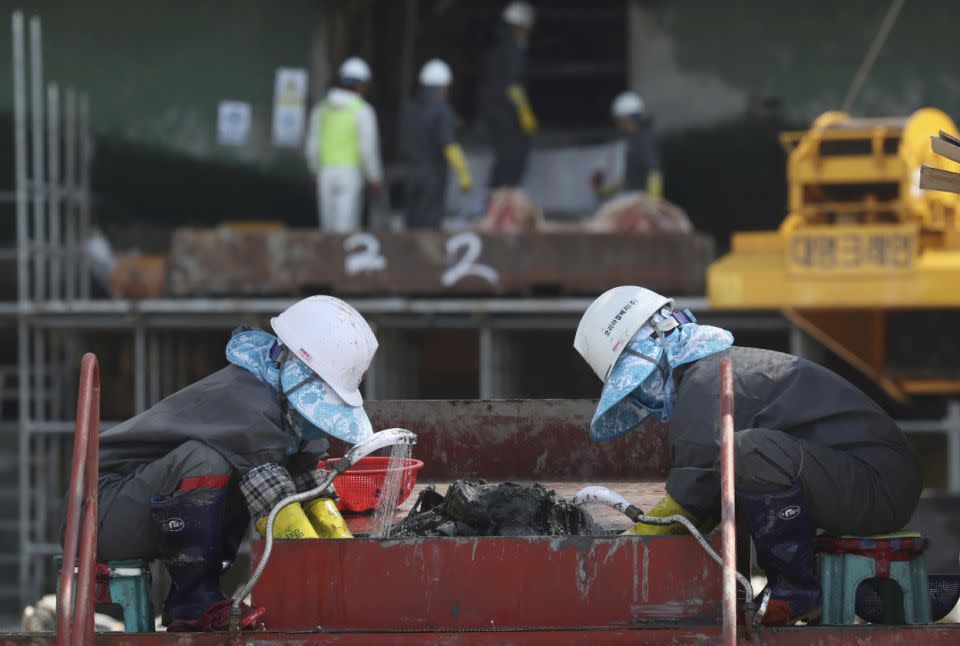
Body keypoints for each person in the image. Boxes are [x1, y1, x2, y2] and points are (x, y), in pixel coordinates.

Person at [573, 286, 922, 626]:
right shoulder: (713, 372)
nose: (644, 398)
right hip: (871, 480)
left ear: (658, 349)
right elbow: (705, 494)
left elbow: (689, 503)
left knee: (749, 452)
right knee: (744, 458)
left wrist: (623, 548)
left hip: (879, 486)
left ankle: (796, 593)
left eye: (640, 382)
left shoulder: (706, 382)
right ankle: (795, 589)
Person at [93, 296, 378, 631]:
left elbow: (307, 485)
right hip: (101, 512)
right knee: (207, 460)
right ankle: (194, 603)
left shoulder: (281, 407)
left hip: (144, 505)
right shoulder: (247, 404)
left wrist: (351, 556)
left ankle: (193, 603)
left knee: (230, 468)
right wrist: (329, 585)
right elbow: (279, 506)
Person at [305, 57, 384, 232]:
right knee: (345, 229)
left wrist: (314, 172)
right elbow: (368, 149)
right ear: (362, 84)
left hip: (325, 173)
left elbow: (313, 145)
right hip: (350, 175)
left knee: (327, 228)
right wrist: (374, 178)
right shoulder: (363, 110)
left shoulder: (322, 109)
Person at [398, 59, 473, 229]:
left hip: (410, 172)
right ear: (443, 87)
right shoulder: (442, 110)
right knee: (429, 222)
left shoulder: (410, 108)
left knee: (411, 221)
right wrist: (463, 173)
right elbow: (449, 145)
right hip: (432, 174)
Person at [479, 1, 537, 190]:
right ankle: (503, 209)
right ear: (519, 28)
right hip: (509, 118)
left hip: (495, 116)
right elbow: (515, 88)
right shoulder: (514, 53)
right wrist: (525, 114)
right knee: (512, 162)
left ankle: (495, 204)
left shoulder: (495, 52)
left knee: (502, 161)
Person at [593, 91, 662, 199]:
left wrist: (654, 202)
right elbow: (630, 180)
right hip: (633, 196)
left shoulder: (643, 141)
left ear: (627, 119)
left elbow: (654, 172)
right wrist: (605, 191)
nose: (618, 124)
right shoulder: (633, 140)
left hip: (640, 198)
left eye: (619, 120)